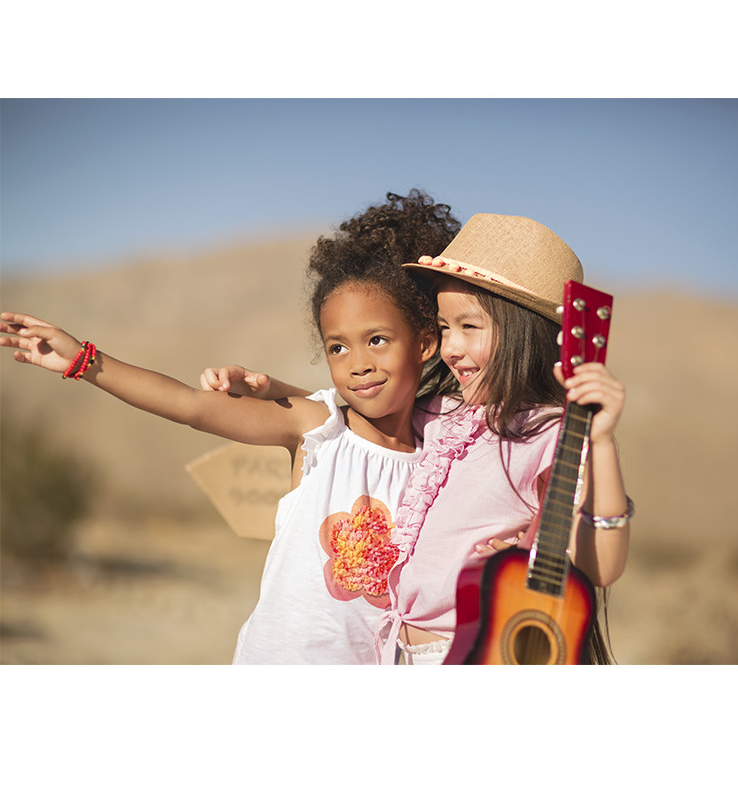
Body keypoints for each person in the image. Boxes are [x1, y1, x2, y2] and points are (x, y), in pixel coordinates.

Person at [0, 190, 462, 665]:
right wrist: (84, 361)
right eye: (338, 348)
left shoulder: (443, 458)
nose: (357, 364)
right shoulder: (318, 428)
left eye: (377, 340)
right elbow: (190, 406)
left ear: (425, 342)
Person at [203, 213, 632, 665]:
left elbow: (602, 564)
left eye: (469, 327)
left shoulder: (549, 433)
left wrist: (600, 444)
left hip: (462, 654)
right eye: (445, 328)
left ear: (523, 331)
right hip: (392, 653)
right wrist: (274, 389)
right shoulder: (444, 415)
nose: (450, 349)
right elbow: (362, 409)